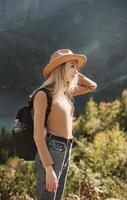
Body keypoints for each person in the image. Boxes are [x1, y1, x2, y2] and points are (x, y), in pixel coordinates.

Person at [33, 49, 97, 200]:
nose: (76, 71)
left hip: (66, 149)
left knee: (57, 197)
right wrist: (48, 169)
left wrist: (74, 72)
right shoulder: (43, 94)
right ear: (60, 68)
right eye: (72, 66)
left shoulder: (65, 92)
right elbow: (38, 136)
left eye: (76, 67)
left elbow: (92, 86)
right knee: (47, 197)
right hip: (52, 150)